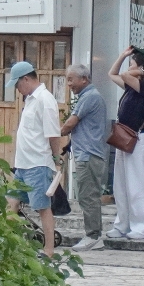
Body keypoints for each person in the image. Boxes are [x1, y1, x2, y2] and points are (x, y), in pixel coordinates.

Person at [8, 61, 64, 257]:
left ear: (26, 79)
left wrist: (56, 158)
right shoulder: (30, 99)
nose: (17, 89)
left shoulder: (44, 99)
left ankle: (48, 249)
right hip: (23, 163)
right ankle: (8, 243)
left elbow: (53, 133)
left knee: (42, 207)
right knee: (12, 203)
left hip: (38, 163)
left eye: (17, 84)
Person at [106, 45, 144, 241]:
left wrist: (143, 71)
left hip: (139, 139)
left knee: (138, 186)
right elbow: (112, 74)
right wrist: (121, 56)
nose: (129, 66)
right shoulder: (131, 85)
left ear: (143, 67)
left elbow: (126, 75)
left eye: (133, 63)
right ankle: (123, 224)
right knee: (121, 185)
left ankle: (143, 227)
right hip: (125, 137)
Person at [59, 63, 108, 250]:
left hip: (89, 155)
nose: (68, 83)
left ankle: (93, 236)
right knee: (87, 195)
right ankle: (93, 235)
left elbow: (71, 123)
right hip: (87, 153)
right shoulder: (87, 96)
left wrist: (57, 134)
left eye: (71, 79)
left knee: (88, 196)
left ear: (84, 79)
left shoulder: (90, 97)